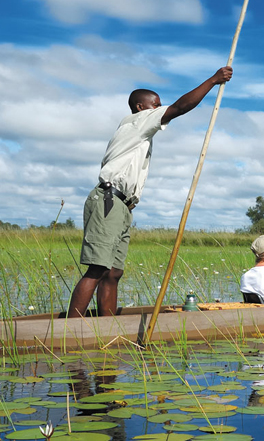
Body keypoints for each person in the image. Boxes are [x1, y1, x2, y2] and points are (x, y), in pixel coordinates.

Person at [66, 66, 233, 318]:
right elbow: (180, 108)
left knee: (113, 272)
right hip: (108, 200)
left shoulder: (140, 131)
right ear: (140, 108)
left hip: (121, 205)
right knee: (98, 268)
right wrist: (213, 80)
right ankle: (70, 329)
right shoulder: (136, 121)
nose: (160, 109)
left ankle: (107, 326)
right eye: (156, 105)